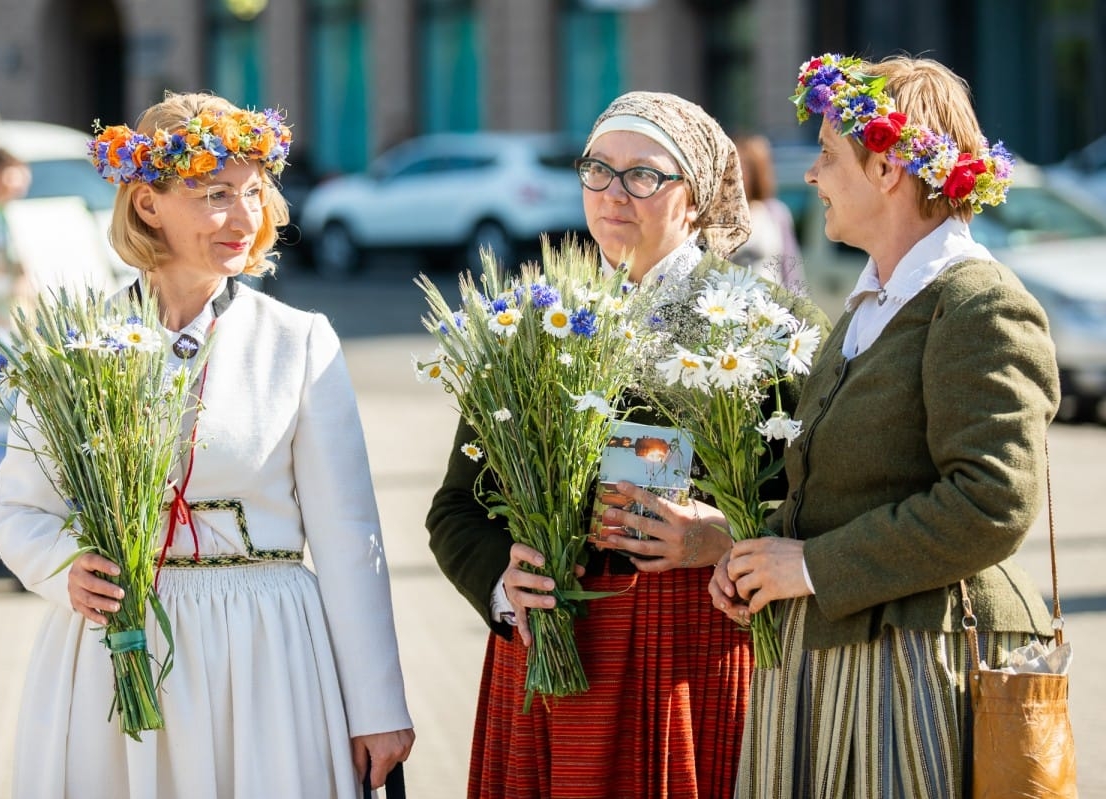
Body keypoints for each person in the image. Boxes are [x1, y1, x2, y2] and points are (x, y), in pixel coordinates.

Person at [0, 91, 414, 798]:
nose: (244, 218)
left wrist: (377, 705)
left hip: (267, 651)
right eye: (215, 193)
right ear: (148, 203)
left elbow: (349, 537)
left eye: (253, 192)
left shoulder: (299, 342)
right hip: (114, 648)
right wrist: (65, 568)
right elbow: (16, 511)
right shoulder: (76, 343)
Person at [427, 91, 827, 799]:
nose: (614, 192)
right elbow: (455, 510)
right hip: (554, 643)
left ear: (696, 199)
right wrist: (502, 583)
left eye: (644, 174)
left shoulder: (760, 325)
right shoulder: (531, 323)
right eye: (598, 169)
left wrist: (726, 537)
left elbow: (822, 505)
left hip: (691, 644)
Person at [707, 54, 1059, 798]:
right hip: (837, 657)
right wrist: (758, 550)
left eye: (830, 156)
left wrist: (807, 567)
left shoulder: (976, 302)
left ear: (890, 169)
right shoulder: (871, 303)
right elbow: (851, 490)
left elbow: (993, 502)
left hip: (916, 667)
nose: (812, 175)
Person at [730, 133, 805, 290]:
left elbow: (790, 269)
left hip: (772, 306)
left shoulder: (775, 213)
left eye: (742, 168)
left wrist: (799, 307)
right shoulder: (719, 214)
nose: (735, 174)